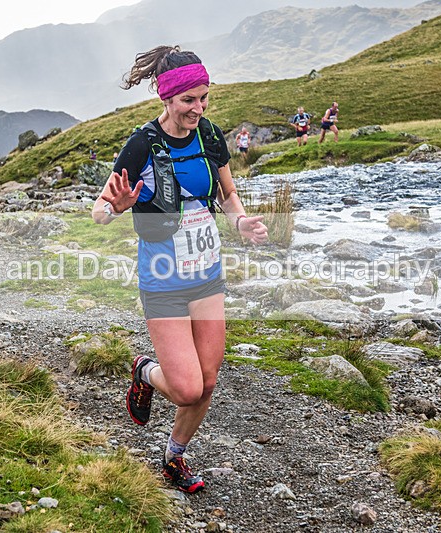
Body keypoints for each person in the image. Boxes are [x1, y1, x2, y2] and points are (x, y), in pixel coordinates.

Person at [92, 45, 268, 494]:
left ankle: (174, 456)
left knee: (207, 382)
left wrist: (241, 221)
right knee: (186, 388)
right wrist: (116, 207)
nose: (199, 108)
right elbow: (100, 211)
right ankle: (145, 372)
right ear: (167, 99)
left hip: (206, 274)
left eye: (204, 97)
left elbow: (228, 196)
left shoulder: (210, 135)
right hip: (164, 279)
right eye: (189, 100)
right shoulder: (141, 144)